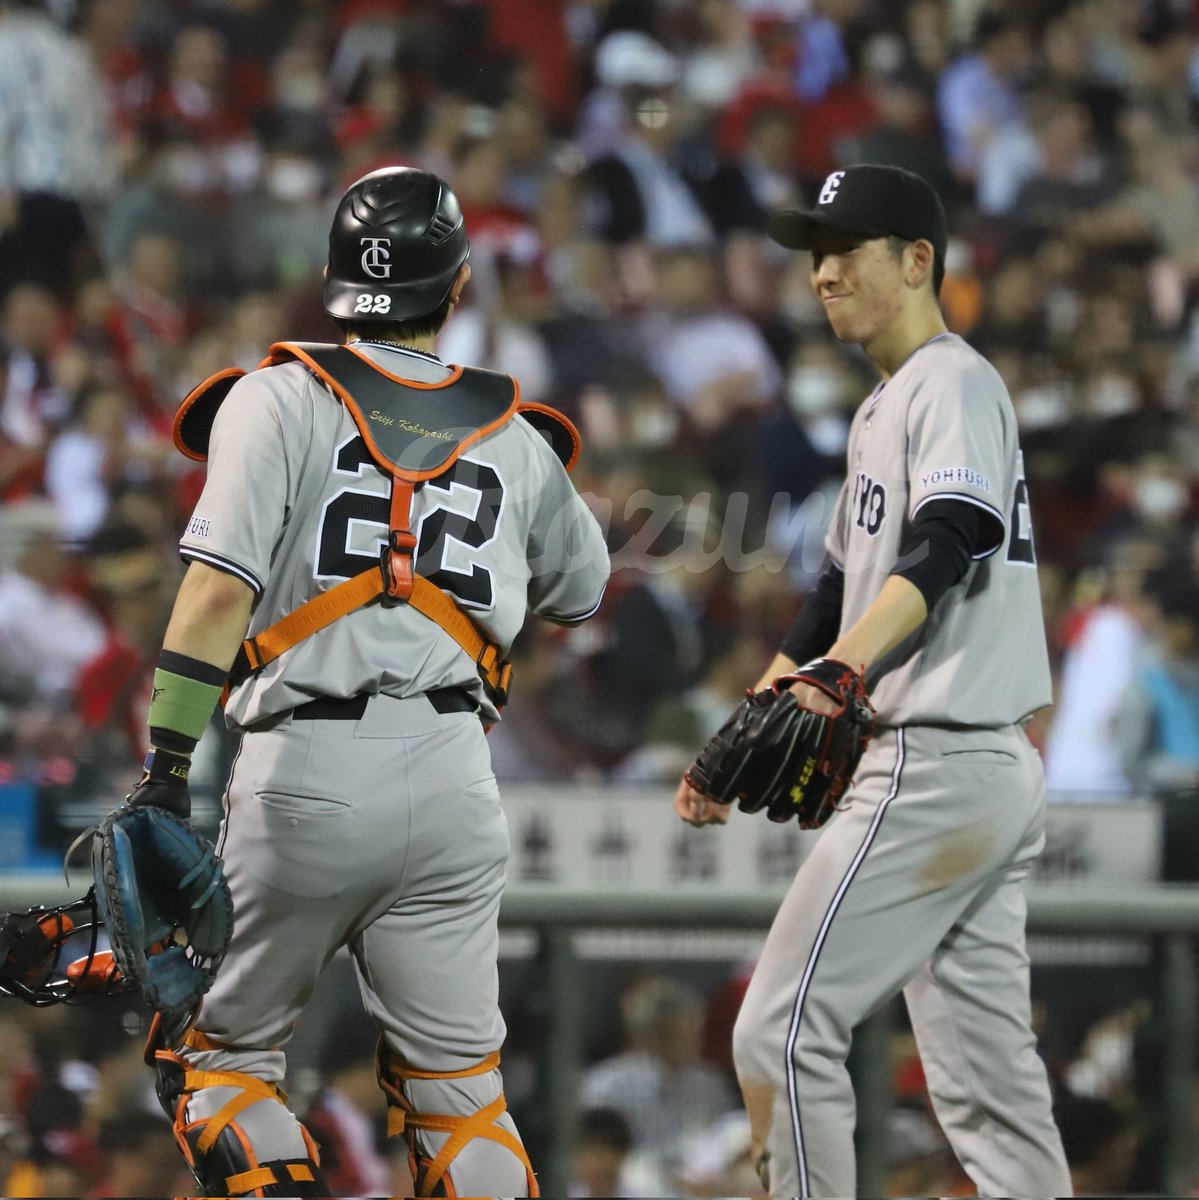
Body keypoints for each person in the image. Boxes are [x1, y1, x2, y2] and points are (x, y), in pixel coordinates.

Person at [115, 165, 609, 1197]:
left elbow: (212, 599)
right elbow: (581, 588)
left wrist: (165, 769)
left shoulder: (276, 397)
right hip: (453, 781)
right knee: (460, 1098)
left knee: (224, 1066)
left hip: (304, 772)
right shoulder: (514, 438)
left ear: (335, 279)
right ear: (459, 282)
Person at [674, 164, 1070, 1197]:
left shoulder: (948, 378)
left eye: (845, 249)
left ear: (917, 259)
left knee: (780, 1029)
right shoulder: (886, 407)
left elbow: (949, 543)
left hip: (932, 757)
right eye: (813, 253)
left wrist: (841, 675)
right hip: (977, 768)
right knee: (987, 1086)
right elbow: (832, 597)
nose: (821, 272)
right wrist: (754, 711)